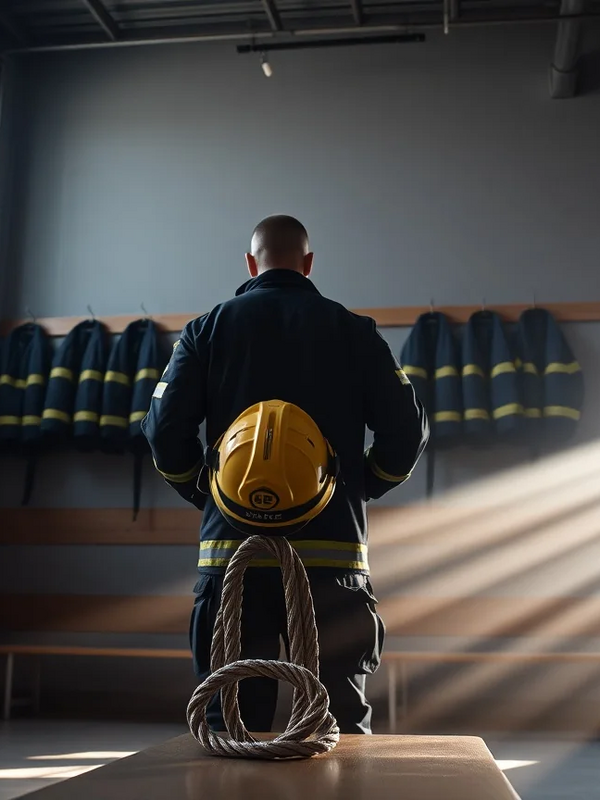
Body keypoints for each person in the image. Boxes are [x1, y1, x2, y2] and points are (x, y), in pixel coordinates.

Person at [142, 215, 429, 734]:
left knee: (230, 726)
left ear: (251, 263)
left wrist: (207, 494)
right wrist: (358, 487)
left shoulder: (205, 330)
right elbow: (407, 433)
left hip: (233, 558)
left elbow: (164, 432)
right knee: (335, 727)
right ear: (309, 264)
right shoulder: (354, 331)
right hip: (332, 560)